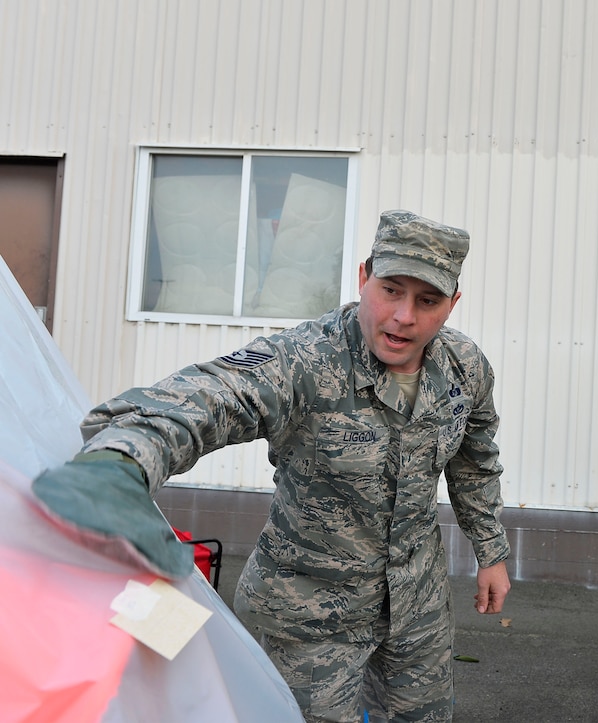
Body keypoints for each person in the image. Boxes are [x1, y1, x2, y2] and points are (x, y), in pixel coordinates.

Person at [32, 210, 512, 723]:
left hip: (419, 604)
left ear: (452, 304)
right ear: (363, 277)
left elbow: (475, 463)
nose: (403, 316)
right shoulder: (304, 360)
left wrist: (491, 552)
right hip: (308, 618)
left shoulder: (464, 366)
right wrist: (121, 463)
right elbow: (213, 395)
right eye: (390, 290)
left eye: (428, 301)